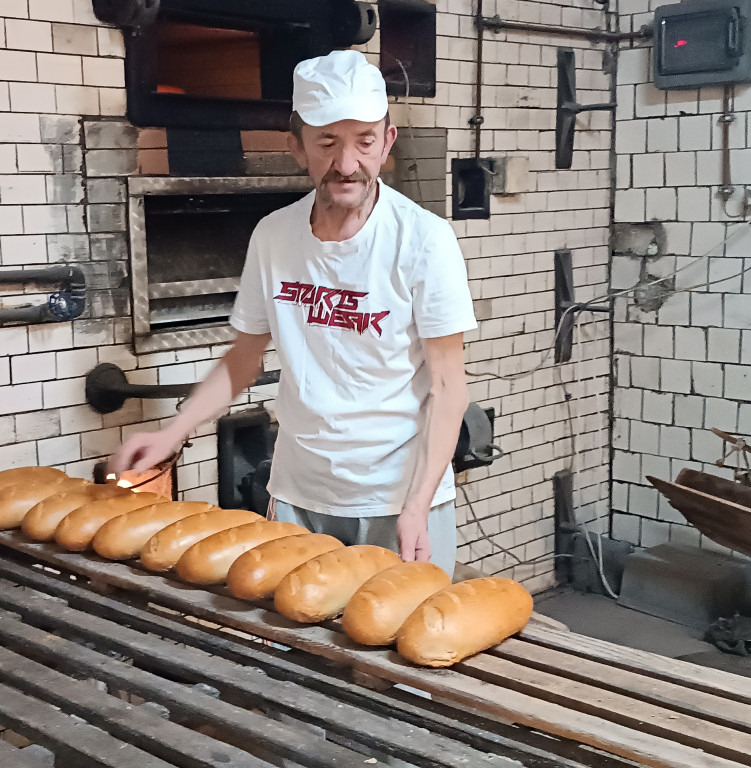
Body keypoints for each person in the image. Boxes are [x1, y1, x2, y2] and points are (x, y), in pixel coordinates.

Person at [109, 49, 476, 575]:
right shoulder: (274, 236)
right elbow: (243, 360)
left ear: (388, 142)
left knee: (394, 646)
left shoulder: (424, 241)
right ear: (297, 147)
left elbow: (448, 386)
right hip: (301, 491)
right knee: (297, 641)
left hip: (399, 497)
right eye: (327, 143)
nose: (347, 164)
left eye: (364, 143)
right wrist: (173, 432)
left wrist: (417, 504)